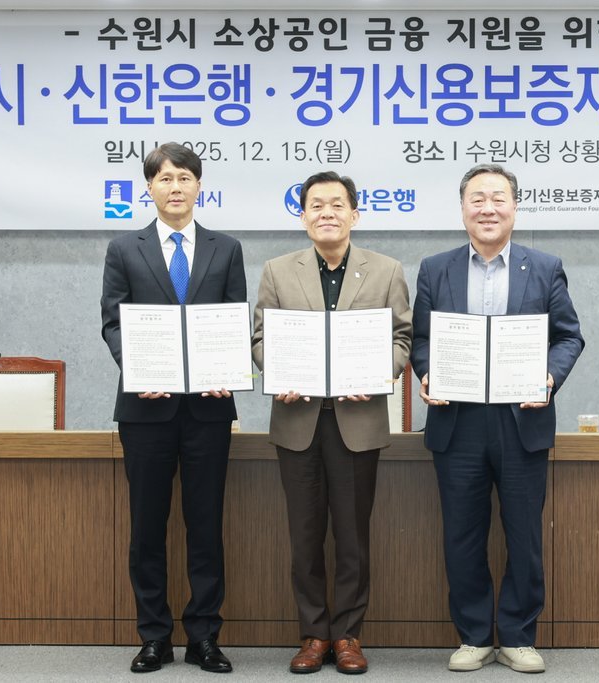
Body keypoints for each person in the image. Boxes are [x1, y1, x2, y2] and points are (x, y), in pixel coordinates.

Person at [411, 163, 584, 674]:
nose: (488, 208)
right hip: (457, 422)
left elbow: (568, 336)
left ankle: (518, 636)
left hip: (522, 421)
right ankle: (473, 637)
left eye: (498, 198)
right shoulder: (435, 268)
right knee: (462, 535)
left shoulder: (545, 267)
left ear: (514, 207)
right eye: (477, 199)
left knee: (524, 535)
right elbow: (421, 339)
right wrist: (427, 371)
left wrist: (548, 378)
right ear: (463, 208)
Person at [251, 171, 412, 675]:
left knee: (352, 537)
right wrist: (278, 371)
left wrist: (379, 372)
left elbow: (402, 338)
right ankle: (313, 634)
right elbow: (260, 339)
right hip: (297, 421)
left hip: (356, 422)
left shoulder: (385, 270)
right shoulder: (278, 271)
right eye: (316, 205)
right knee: (304, 537)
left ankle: (347, 635)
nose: (327, 213)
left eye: (337, 205)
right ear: (303, 216)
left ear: (354, 214)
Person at [100, 143, 244, 674]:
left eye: (184, 177)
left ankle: (205, 636)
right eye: (164, 178)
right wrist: (139, 370)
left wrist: (228, 368)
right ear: (150, 188)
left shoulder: (226, 248)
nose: (175, 187)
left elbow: (234, 318)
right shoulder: (124, 248)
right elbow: (113, 321)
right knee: (147, 528)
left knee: (206, 527)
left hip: (208, 410)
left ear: (198, 185)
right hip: (145, 411)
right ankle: (154, 636)